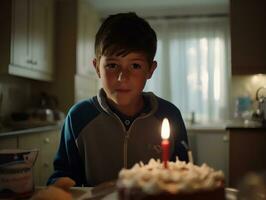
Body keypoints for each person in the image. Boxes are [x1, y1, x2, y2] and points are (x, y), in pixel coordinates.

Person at [47, 12, 188, 187]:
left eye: (135, 66)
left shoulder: (169, 115)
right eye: (112, 65)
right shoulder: (79, 117)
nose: (122, 77)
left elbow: (184, 175)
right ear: (97, 67)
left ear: (150, 70)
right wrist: (58, 183)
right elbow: (63, 175)